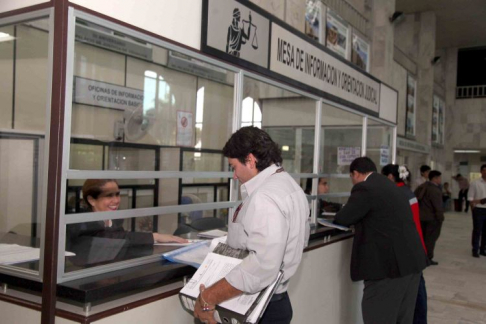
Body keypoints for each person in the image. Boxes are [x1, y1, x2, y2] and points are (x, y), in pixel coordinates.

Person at [193, 126, 309, 324]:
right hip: (276, 303)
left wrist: (208, 297)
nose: (234, 176)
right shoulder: (289, 186)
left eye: (234, 167)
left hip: (259, 309)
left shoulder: (265, 197)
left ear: (250, 159)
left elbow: (262, 265)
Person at [334, 157, 427, 324]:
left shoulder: (365, 188)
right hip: (411, 263)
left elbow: (343, 218)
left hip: (388, 269)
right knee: (402, 319)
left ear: (355, 174)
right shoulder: (389, 185)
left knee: (378, 316)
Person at [67, 179, 187, 250]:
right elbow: (111, 239)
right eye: (109, 196)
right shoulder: (81, 224)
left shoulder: (115, 219)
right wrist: (155, 237)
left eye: (117, 195)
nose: (116, 201)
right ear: (92, 200)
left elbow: (123, 240)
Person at [381, 164, 428, 324]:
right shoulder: (407, 192)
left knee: (414, 292)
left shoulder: (395, 194)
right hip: (416, 245)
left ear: (389, 177)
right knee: (417, 288)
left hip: (408, 247)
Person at [414, 170, 444, 265]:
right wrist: (440, 218)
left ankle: (419, 257)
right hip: (432, 218)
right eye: (439, 178)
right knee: (430, 239)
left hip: (421, 217)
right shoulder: (435, 190)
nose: (440, 180)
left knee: (421, 238)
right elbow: (438, 206)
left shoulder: (422, 186)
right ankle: (427, 258)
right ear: (435, 178)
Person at [468, 164, 486, 258]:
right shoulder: (475, 183)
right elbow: (470, 197)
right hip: (478, 210)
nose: (485, 172)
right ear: (481, 171)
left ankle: (483, 249)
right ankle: (475, 250)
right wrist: (473, 209)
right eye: (484, 170)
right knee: (477, 230)